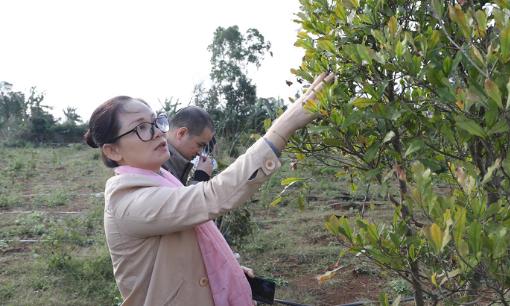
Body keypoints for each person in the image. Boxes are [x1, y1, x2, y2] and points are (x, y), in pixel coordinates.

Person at [83, 72, 333, 306]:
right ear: (113, 150)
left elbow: (184, 246)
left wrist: (226, 270)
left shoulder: (160, 178)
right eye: (141, 128)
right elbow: (212, 197)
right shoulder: (128, 202)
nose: (159, 133)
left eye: (155, 122)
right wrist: (283, 127)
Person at [163, 106, 216, 185]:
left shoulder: (166, 161)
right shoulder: (157, 164)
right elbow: (179, 197)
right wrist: (201, 178)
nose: (200, 153)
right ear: (181, 133)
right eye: (200, 145)